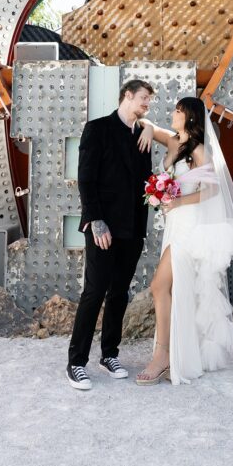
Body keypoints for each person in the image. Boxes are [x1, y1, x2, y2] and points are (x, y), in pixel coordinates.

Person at [135, 97, 233, 386]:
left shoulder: (200, 151)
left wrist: (176, 200)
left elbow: (211, 192)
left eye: (178, 111)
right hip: (174, 225)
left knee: (159, 286)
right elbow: (148, 125)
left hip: (190, 228)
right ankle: (177, 352)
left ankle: (162, 356)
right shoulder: (173, 141)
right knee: (174, 290)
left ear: (190, 117)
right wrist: (146, 129)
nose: (173, 114)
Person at [66, 78, 154, 391]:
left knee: (120, 292)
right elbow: (86, 179)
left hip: (132, 229)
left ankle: (110, 354)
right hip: (103, 227)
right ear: (127, 96)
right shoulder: (97, 128)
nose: (146, 104)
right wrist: (96, 220)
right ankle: (76, 362)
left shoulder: (143, 134)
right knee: (95, 291)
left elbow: (146, 183)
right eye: (143, 98)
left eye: (148, 101)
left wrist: (151, 127)